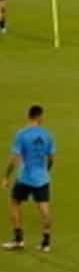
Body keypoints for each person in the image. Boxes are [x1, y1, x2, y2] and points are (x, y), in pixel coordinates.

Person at [2, 105, 54, 252]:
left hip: (25, 177)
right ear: (39, 117)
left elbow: (14, 159)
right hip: (42, 178)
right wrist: (45, 171)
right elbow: (51, 158)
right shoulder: (47, 135)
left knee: (14, 203)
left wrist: (6, 177)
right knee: (45, 209)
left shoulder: (22, 134)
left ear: (29, 116)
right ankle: (46, 242)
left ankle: (18, 240)